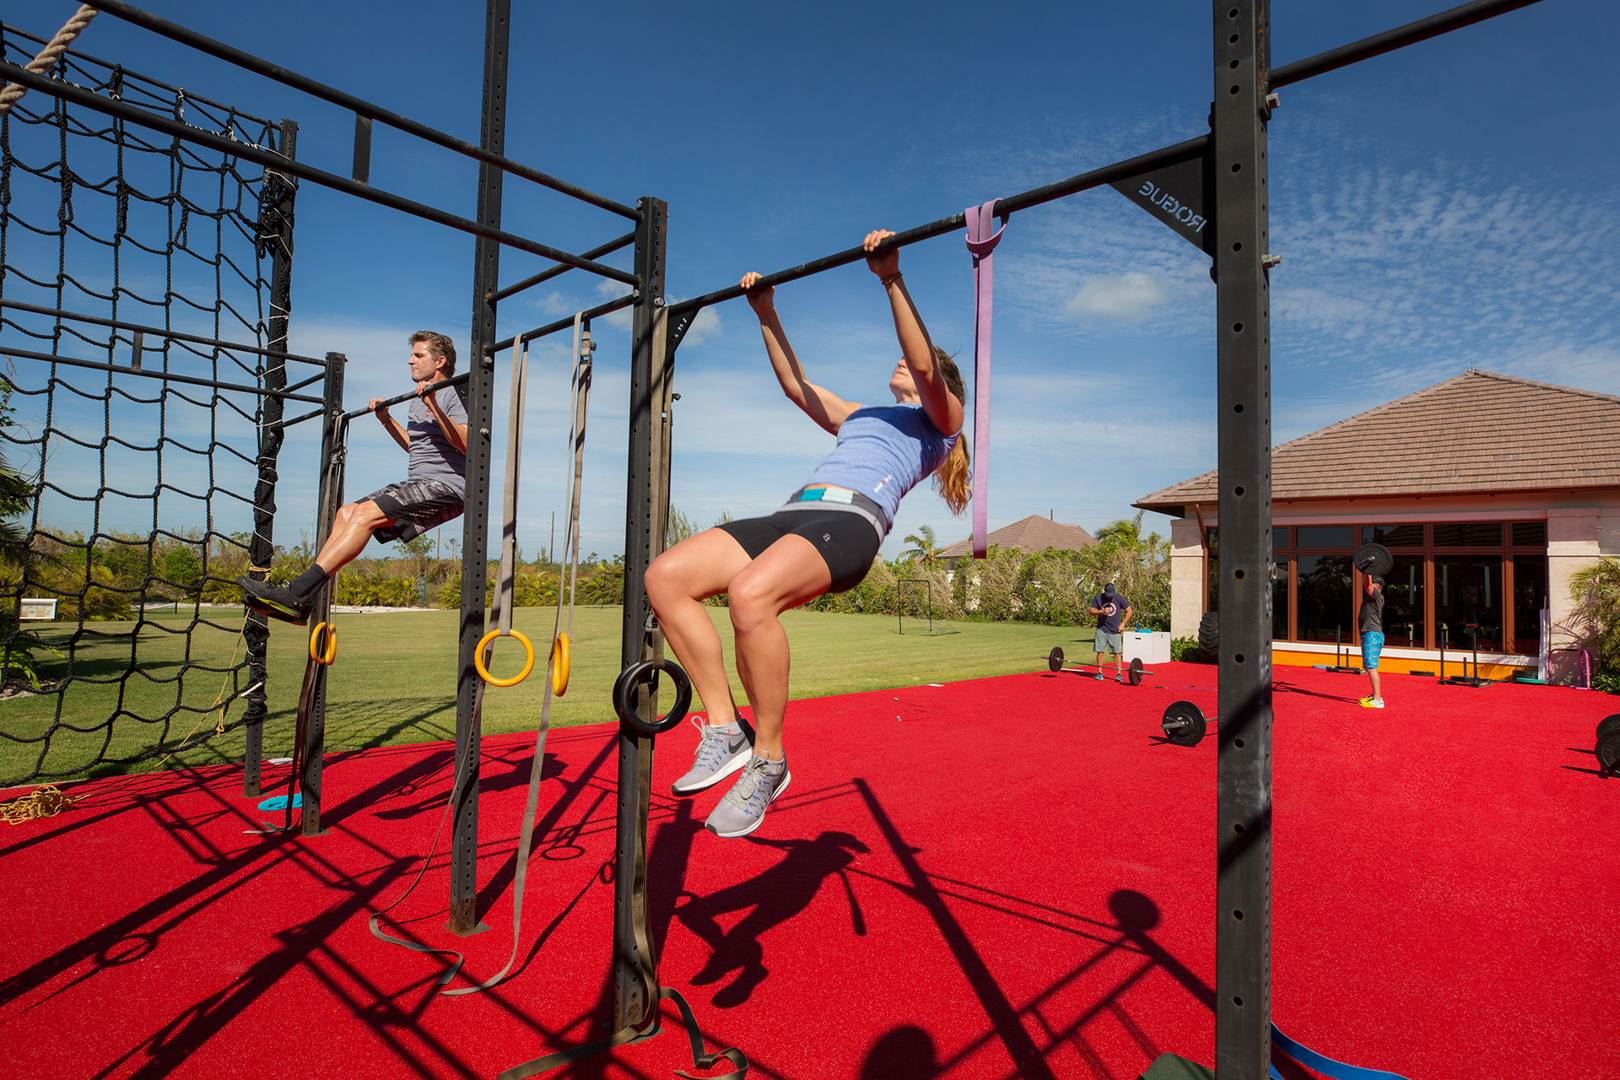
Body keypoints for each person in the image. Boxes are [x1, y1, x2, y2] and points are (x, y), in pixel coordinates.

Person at [643, 229, 969, 839]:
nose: (901, 363)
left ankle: (769, 759)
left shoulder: (942, 422)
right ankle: (724, 729)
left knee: (749, 595)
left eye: (916, 365)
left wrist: (890, 278)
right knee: (665, 578)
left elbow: (923, 361)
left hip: (850, 523)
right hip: (794, 513)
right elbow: (796, 387)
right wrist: (766, 314)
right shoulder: (864, 414)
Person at [239, 331, 468, 625]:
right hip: (419, 482)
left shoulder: (453, 391)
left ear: (440, 361)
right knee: (347, 513)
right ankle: (303, 602)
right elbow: (418, 447)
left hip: (447, 486)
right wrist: (386, 419)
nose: (410, 360)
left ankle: (296, 592)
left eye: (418, 355)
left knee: (363, 516)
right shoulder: (417, 398)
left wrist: (434, 405)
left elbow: (466, 444)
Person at [1088, 583, 1133, 681]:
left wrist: (1123, 624)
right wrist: (1101, 611)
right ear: (1105, 592)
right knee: (1100, 651)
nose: (1109, 597)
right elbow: (1091, 610)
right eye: (1108, 595)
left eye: (1111, 595)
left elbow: (1129, 611)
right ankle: (1099, 673)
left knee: (1117, 652)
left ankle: (1119, 674)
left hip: (1115, 629)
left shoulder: (1119, 598)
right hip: (1102, 629)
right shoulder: (1099, 598)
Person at [1359, 574, 1386, 708]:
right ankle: (1374, 695)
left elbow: (1367, 586)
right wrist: (1366, 571)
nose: (1369, 586)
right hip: (1369, 634)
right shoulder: (1372, 598)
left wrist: (1367, 570)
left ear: (1377, 586)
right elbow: (1367, 585)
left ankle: (1378, 700)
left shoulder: (1377, 596)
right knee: (1368, 666)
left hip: (1372, 634)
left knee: (1371, 667)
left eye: (1372, 583)